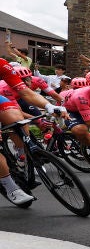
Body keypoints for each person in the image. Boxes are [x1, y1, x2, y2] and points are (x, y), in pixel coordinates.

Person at [0, 57, 66, 206]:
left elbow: (27, 93)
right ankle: (10, 187)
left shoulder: (2, 64)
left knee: (17, 118)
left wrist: (49, 106)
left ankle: (21, 152)